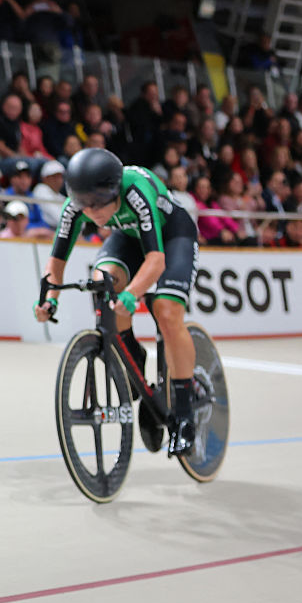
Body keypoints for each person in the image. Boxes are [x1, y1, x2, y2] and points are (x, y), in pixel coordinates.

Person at [35, 148, 199, 454]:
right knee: (102, 282)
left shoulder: (135, 191)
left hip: (171, 235)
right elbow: (56, 262)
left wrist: (132, 294)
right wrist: (49, 300)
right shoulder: (78, 205)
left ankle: (186, 415)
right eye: (84, 204)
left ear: (114, 191)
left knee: (165, 312)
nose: (92, 212)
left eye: (98, 203)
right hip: (127, 236)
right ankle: (131, 351)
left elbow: (156, 261)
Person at [32, 159, 66, 228]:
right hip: (45, 229)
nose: (58, 180)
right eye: (54, 177)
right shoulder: (40, 189)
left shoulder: (60, 196)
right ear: (44, 178)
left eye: (60, 176)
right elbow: (59, 219)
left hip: (59, 230)